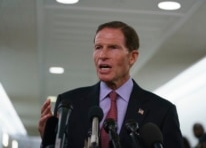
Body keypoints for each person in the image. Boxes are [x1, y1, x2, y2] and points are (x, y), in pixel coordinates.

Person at [38, 21, 183, 148]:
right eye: (98, 47)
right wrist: (48, 140)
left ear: (132, 57)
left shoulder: (162, 111)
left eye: (113, 47)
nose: (102, 55)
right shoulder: (68, 104)